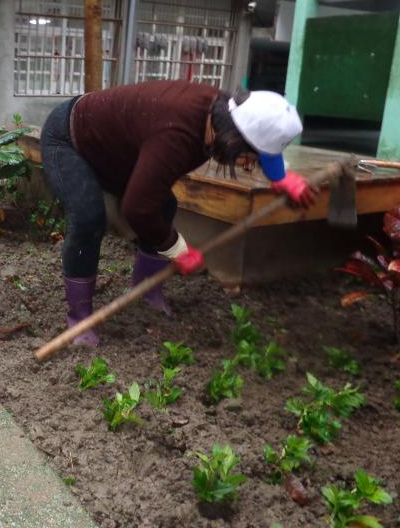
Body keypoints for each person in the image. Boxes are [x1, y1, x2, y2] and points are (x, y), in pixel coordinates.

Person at [40, 80, 316, 346]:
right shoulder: (177, 136)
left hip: (113, 150)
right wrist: (177, 249)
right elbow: (137, 210)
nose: (247, 167)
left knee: (164, 204)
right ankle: (79, 319)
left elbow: (256, 133)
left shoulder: (223, 115)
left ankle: (146, 291)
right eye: (248, 158)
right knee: (89, 217)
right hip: (69, 138)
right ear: (233, 137)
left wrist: (279, 177)